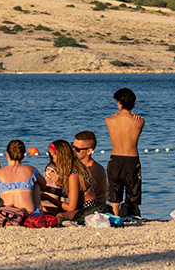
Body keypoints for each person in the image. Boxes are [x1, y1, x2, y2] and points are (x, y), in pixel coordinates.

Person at [105, 87, 145, 218]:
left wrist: (116, 115)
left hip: (115, 159)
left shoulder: (109, 120)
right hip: (132, 160)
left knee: (114, 197)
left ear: (119, 103)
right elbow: (135, 121)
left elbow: (113, 118)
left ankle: (115, 218)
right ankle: (133, 216)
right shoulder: (139, 121)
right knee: (133, 195)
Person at [0, 140, 46, 215]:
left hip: (7, 215)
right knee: (36, 185)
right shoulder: (31, 170)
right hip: (28, 215)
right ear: (23, 155)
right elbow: (43, 183)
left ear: (7, 154)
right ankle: (40, 214)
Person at [49, 139, 97, 222]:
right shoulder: (74, 170)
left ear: (61, 157)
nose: (50, 161)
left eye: (52, 157)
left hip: (86, 210)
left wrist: (49, 198)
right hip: (82, 208)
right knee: (45, 208)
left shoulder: (74, 175)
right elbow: (71, 194)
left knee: (60, 215)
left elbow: (71, 207)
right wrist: (49, 190)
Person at [74, 130, 107, 205]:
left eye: (77, 149)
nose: (73, 150)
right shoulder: (78, 166)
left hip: (93, 209)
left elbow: (86, 196)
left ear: (89, 151)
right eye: (72, 146)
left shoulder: (95, 169)